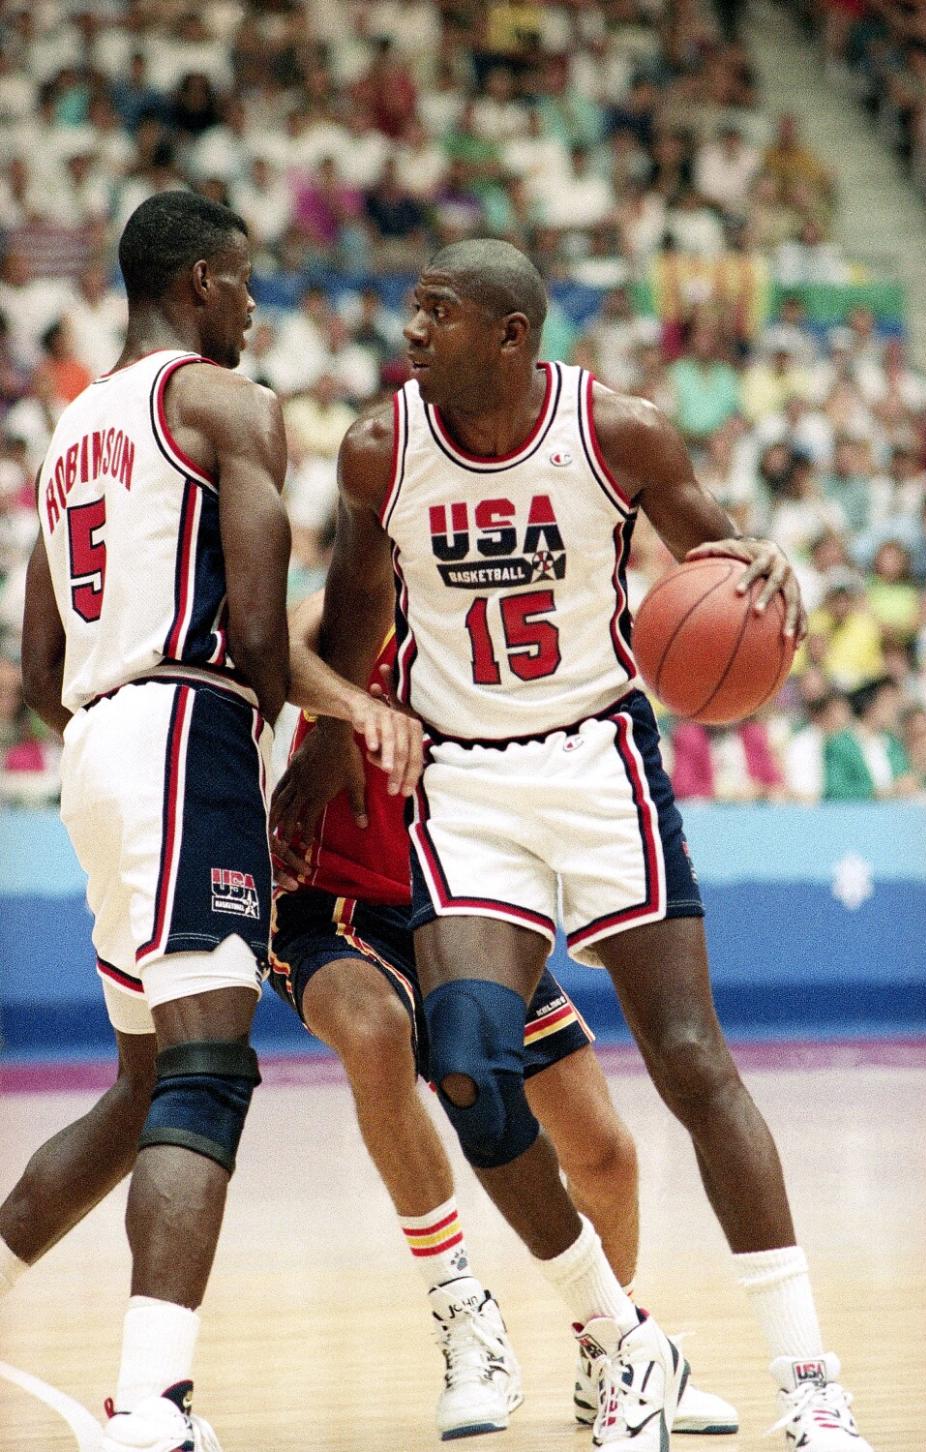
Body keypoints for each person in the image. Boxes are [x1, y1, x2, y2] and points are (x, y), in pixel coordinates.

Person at [275, 238, 876, 1452]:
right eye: (412, 309)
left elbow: (724, 567)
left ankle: (811, 1381)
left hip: (602, 761)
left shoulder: (622, 433)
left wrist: (768, 571)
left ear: (511, 335)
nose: (413, 330)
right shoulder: (378, 450)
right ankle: (625, 1343)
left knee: (694, 1062)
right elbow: (349, 610)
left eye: (438, 313)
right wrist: (327, 743)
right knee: (463, 1064)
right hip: (470, 788)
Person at [0, 190, 416, 1452]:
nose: (253, 302)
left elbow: (31, 668)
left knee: (141, 1088)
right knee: (207, 1068)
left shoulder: (73, 429)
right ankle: (152, 1405)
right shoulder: (231, 406)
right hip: (188, 733)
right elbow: (252, 625)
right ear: (192, 282)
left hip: (96, 752)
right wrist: (316, 733)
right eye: (240, 280)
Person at [269, 599, 739, 1441]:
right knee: (375, 1035)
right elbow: (277, 653)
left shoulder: (504, 624)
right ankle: (464, 1320)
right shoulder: (356, 604)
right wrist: (350, 708)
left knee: (605, 1151)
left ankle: (617, 1354)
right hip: (328, 900)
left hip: (462, 907)